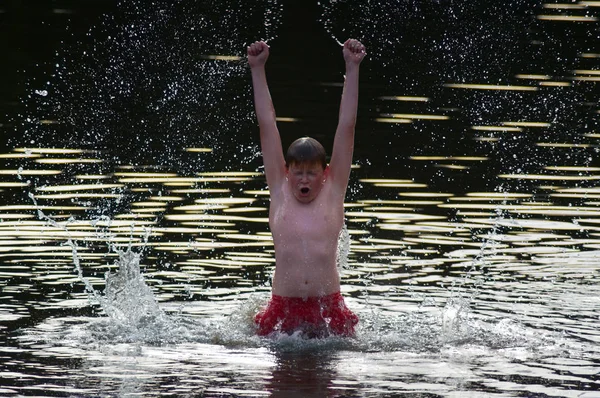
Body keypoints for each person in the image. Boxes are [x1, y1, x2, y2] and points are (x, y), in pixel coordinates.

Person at [247, 38, 366, 338]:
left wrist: (352, 68)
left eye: (311, 173)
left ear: (324, 173)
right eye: (297, 172)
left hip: (329, 308)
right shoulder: (279, 188)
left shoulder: (334, 189)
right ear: (287, 172)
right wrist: (257, 69)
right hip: (282, 307)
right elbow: (267, 125)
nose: (303, 180)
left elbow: (347, 126)